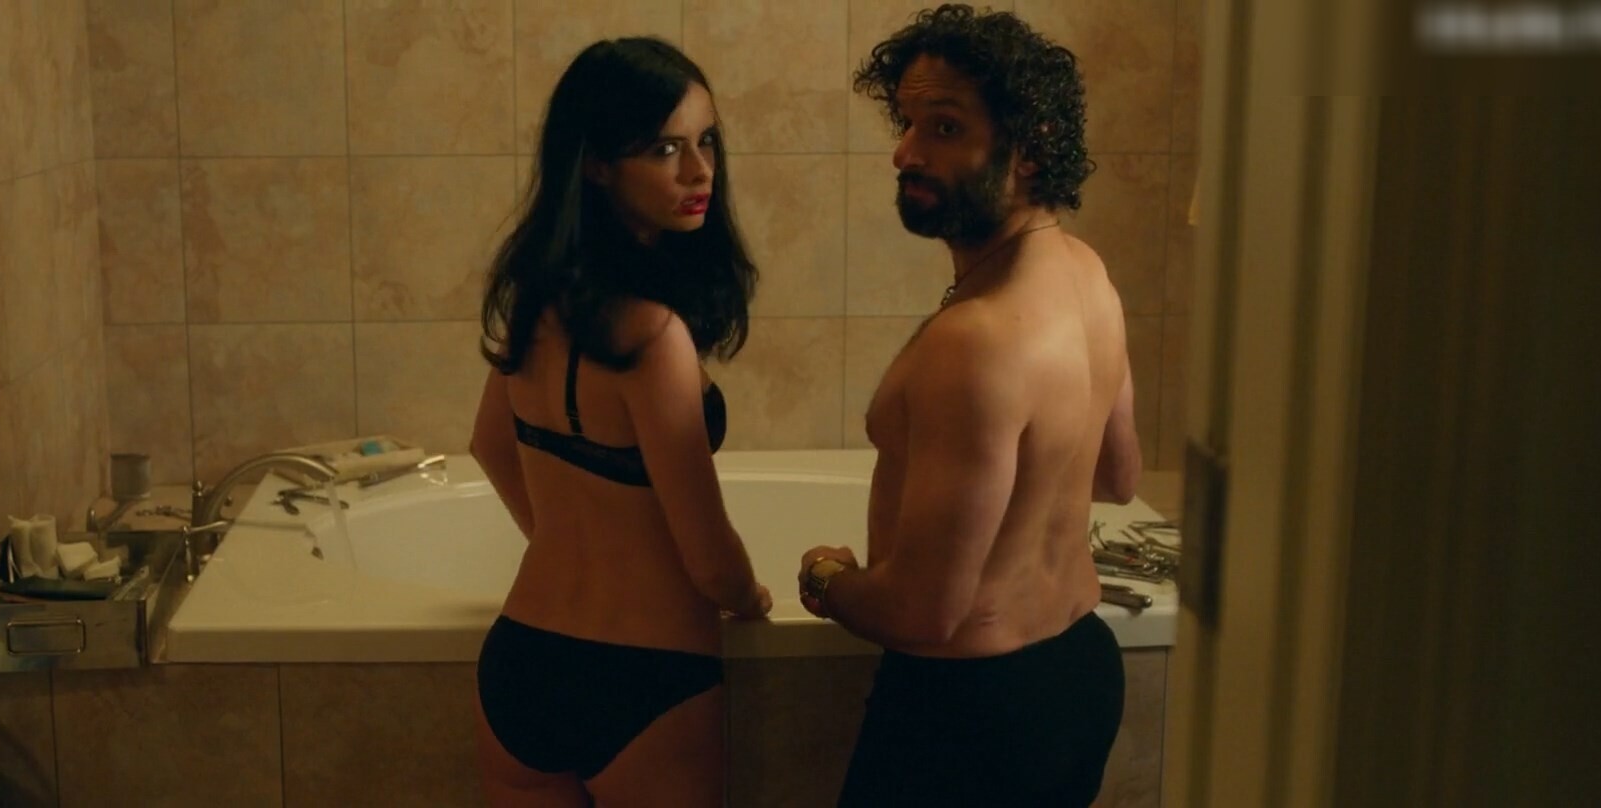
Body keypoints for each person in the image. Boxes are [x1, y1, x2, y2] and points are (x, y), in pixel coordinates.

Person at [793, 6, 1143, 806]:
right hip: (1078, 677)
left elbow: (924, 613)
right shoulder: (1087, 274)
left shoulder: (974, 342)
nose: (906, 153)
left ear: (1031, 148)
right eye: (908, 123)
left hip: (968, 715)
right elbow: (1117, 476)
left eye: (945, 128)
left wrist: (826, 578)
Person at [467, 36, 774, 808]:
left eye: (707, 142)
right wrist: (751, 598)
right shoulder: (653, 337)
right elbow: (709, 558)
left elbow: (489, 444)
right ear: (598, 165)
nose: (700, 171)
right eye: (666, 149)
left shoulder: (540, 303)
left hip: (521, 661)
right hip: (645, 677)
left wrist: (567, 542)